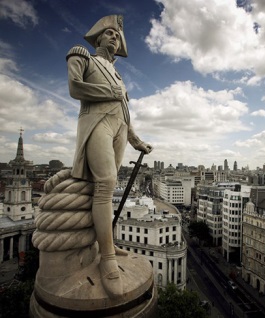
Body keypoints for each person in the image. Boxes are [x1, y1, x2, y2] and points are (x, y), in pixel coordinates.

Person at [66, 15, 153, 298]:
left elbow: (125, 113)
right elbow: (75, 88)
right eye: (111, 34)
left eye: (118, 35)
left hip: (118, 129)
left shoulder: (118, 75)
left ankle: (106, 242)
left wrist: (136, 140)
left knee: (107, 186)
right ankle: (107, 258)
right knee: (105, 183)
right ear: (99, 38)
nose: (115, 38)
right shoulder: (83, 56)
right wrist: (109, 91)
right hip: (97, 124)